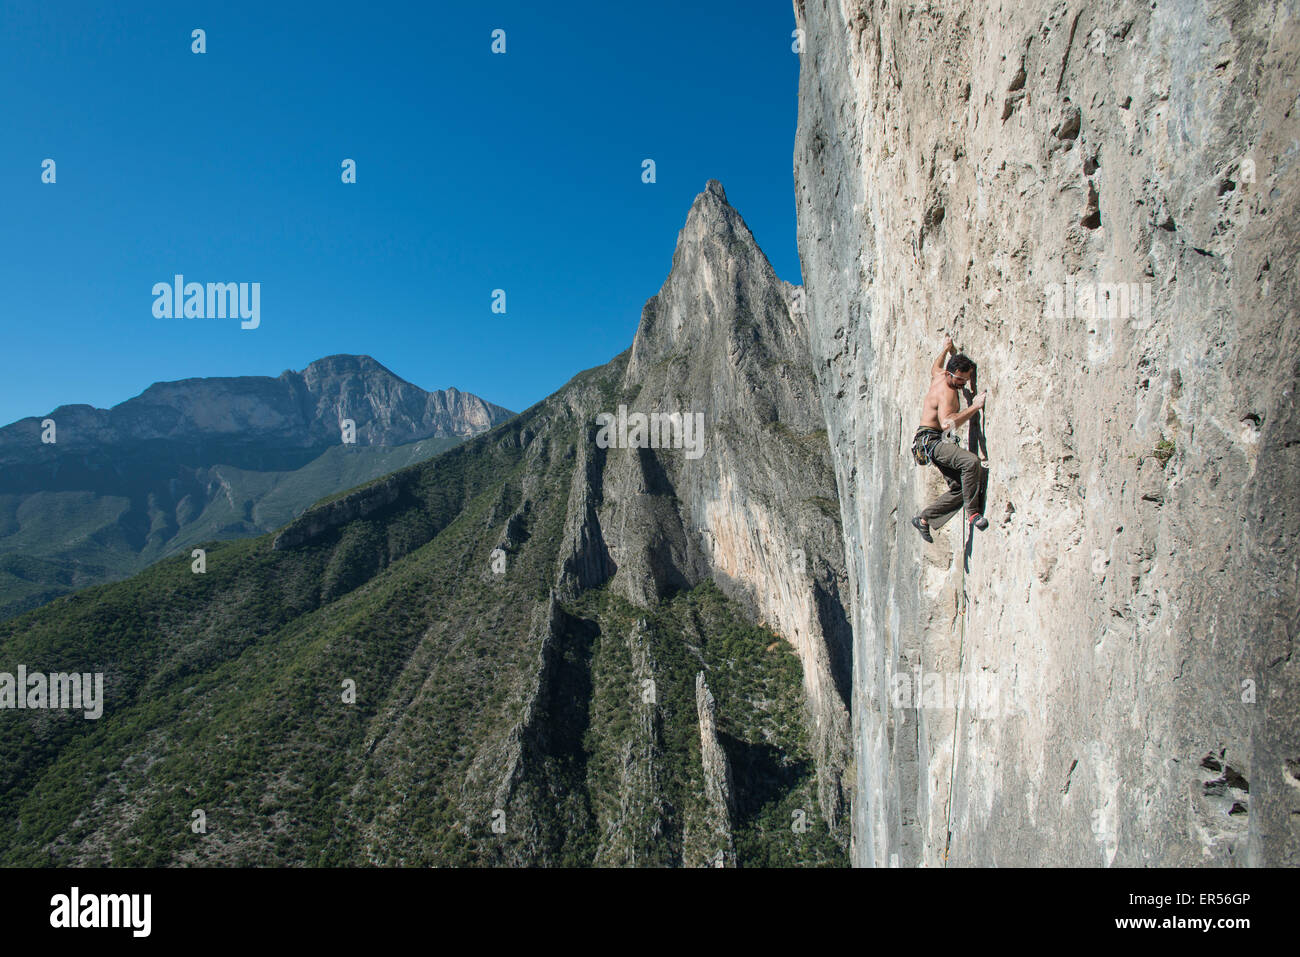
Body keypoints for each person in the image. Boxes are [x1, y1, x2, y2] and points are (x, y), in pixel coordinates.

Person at [911, 336, 989, 543]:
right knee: (971, 462)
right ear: (950, 374)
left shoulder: (940, 376)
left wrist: (946, 349)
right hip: (934, 441)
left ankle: (924, 518)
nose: (963, 384)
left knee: (961, 487)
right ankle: (973, 514)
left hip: (928, 442)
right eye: (961, 379)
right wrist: (975, 407)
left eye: (966, 379)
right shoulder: (948, 393)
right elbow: (947, 424)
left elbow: (934, 366)